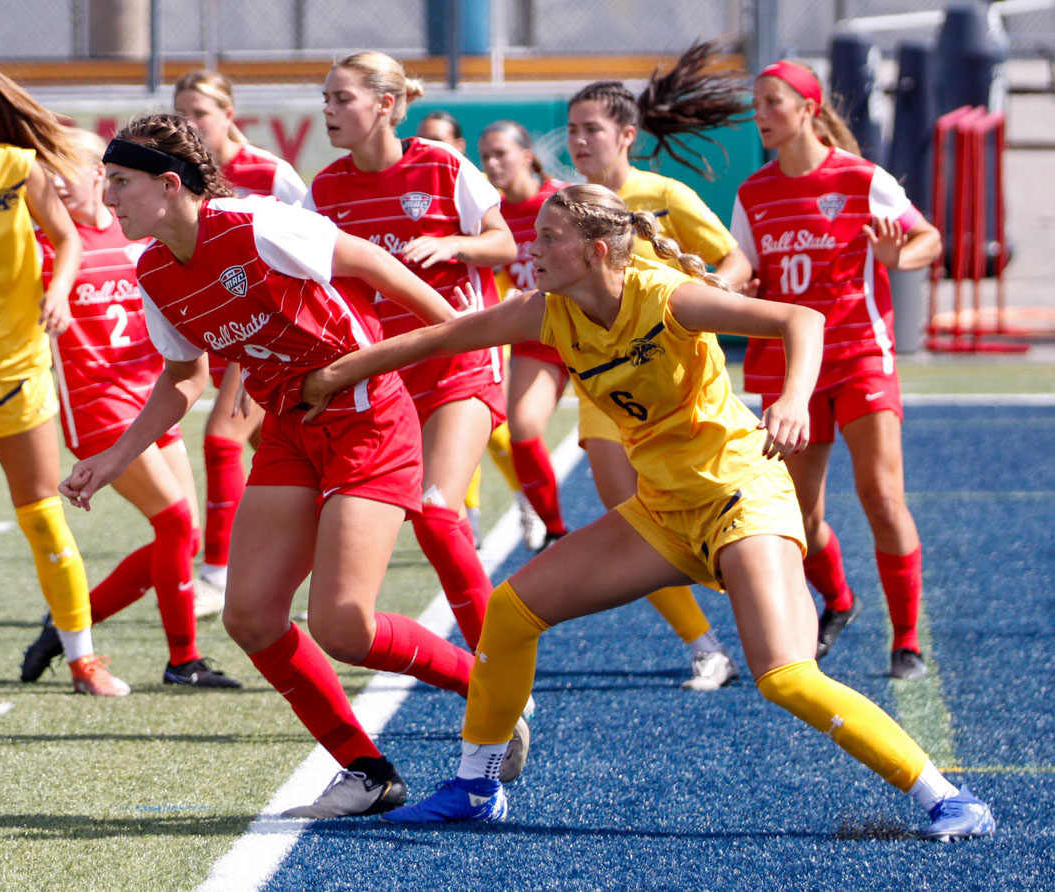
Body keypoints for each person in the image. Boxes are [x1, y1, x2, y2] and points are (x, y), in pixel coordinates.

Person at [299, 183, 996, 843]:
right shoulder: (548, 310)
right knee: (511, 614)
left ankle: (950, 799)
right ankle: (478, 789)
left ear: (595, 251)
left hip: (738, 497)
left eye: (546, 237)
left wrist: (789, 398)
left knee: (784, 676)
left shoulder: (667, 297)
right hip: (663, 510)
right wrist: (335, 374)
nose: (528, 249)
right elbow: (439, 339)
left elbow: (800, 318)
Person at [60, 113, 526, 818]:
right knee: (250, 617)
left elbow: (375, 264)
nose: (110, 198)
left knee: (344, 627)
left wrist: (458, 333)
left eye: (120, 182)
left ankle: (490, 688)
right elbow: (182, 381)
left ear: (168, 184)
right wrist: (110, 457)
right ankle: (367, 773)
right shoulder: (153, 269)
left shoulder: (255, 225)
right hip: (289, 433)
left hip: (369, 420)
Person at [730, 60, 942, 680]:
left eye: (772, 102)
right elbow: (742, 261)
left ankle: (906, 641)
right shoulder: (755, 191)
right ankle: (839, 601)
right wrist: (717, 283)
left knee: (880, 495)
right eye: (758, 104)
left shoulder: (860, 178)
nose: (761, 114)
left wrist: (897, 253)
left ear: (807, 110)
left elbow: (927, 238)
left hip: (857, 355)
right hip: (791, 367)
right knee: (800, 514)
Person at [306, 52, 517, 653]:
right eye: (325, 99)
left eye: (341, 98)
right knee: (416, 521)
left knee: (437, 511)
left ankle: (495, 663)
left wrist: (451, 242)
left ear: (385, 105)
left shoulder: (444, 165)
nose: (328, 110)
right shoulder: (326, 189)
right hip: (388, 377)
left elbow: (503, 245)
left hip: (461, 364)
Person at [20, 128, 240, 689]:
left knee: (182, 536)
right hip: (95, 405)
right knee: (172, 520)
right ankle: (182, 660)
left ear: (99, 174)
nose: (53, 180)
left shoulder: (136, 236)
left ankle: (70, 621)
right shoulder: (45, 244)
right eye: (45, 168)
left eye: (64, 167)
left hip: (150, 396)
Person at [563, 43, 753, 690]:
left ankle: (813, 579)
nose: (580, 140)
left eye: (592, 128)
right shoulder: (571, 204)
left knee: (716, 507)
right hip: (603, 383)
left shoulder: (663, 195)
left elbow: (733, 261)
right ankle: (706, 648)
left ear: (626, 135)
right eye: (572, 130)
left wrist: (716, 297)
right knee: (629, 514)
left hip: (677, 382)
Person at [0, 57, 128, 696]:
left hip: (14, 365)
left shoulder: (16, 166)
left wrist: (59, 290)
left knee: (41, 513)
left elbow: (65, 238)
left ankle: (82, 658)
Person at [173, 70, 309, 618]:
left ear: (230, 114)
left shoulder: (270, 173)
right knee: (281, 454)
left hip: (265, 333)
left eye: (200, 114)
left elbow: (312, 246)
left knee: (223, 439)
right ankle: (314, 553)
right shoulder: (179, 176)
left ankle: (217, 573)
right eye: (181, 115)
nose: (191, 125)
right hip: (216, 329)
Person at [414, 110, 537, 550]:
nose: (428, 147)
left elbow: (500, 250)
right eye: (422, 139)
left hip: (489, 324)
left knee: (499, 429)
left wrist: (453, 245)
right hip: (442, 327)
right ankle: (470, 522)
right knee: (444, 438)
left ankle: (528, 502)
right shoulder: (409, 186)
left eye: (440, 140)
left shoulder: (469, 189)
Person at [477, 120, 569, 547]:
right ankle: (556, 531)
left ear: (527, 156)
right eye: (485, 157)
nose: (492, 163)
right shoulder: (488, 214)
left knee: (625, 443)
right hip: (539, 338)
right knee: (523, 428)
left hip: (595, 333)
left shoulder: (563, 199)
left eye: (501, 154)